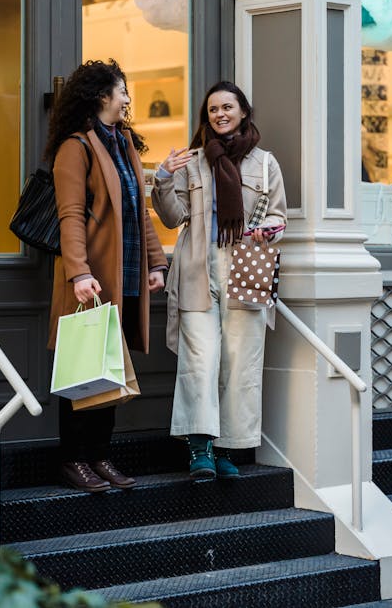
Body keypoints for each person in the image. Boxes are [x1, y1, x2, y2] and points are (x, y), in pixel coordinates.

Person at [151, 80, 287, 480]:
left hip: (245, 263)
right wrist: (161, 179)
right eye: (213, 109)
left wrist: (270, 231)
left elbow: (278, 215)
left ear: (243, 112)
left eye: (227, 107)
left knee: (239, 360)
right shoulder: (192, 161)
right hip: (196, 266)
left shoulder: (264, 163)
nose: (220, 114)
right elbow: (173, 216)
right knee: (200, 359)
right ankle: (200, 449)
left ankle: (227, 448)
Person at [44, 59, 167, 493]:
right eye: (122, 91)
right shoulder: (75, 147)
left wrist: (156, 262)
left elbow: (141, 209)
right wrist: (78, 273)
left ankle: (98, 456)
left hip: (126, 273)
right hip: (92, 276)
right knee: (83, 364)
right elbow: (70, 215)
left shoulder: (125, 143)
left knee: (110, 366)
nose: (128, 99)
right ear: (102, 97)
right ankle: (72, 459)